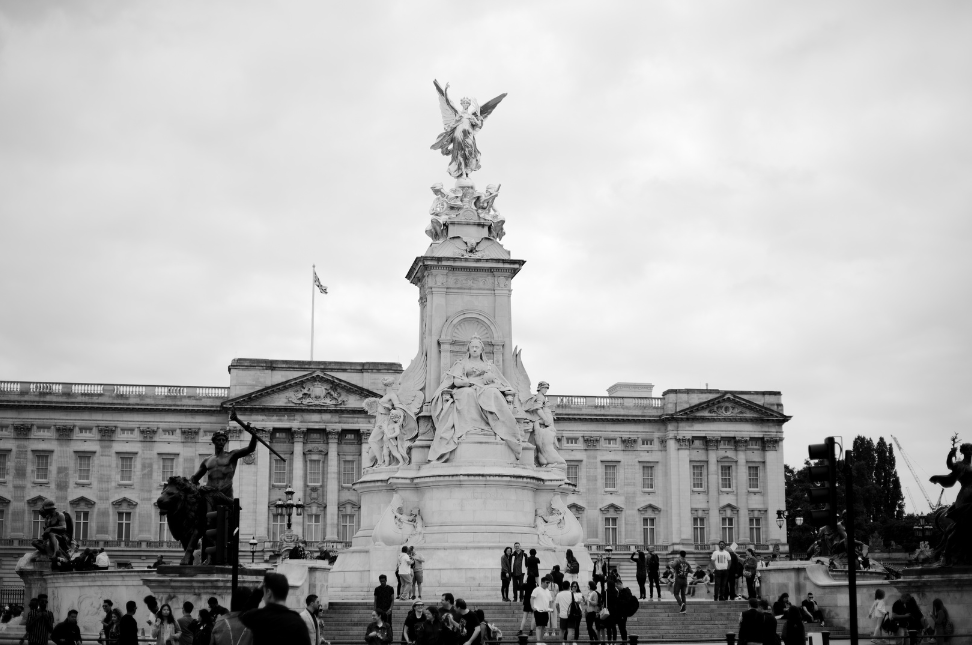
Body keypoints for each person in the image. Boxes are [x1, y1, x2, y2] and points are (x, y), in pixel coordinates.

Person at [239, 573, 311, 645]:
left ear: (268, 592)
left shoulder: (257, 617)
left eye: (264, 592)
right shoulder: (298, 622)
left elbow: (243, 615)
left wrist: (258, 592)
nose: (263, 597)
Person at [605, 578, 627, 642]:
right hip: (615, 612)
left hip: (608, 612)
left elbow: (604, 602)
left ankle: (609, 641)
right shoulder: (616, 592)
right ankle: (614, 641)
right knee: (614, 628)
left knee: (608, 628)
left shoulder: (606, 592)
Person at [584, 581, 601, 645]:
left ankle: (596, 639)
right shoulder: (589, 593)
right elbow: (587, 603)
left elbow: (595, 602)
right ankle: (591, 639)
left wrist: (589, 601)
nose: (587, 586)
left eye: (588, 585)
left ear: (591, 585)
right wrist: (585, 600)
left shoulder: (594, 593)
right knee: (588, 627)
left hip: (592, 611)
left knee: (589, 627)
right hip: (588, 611)